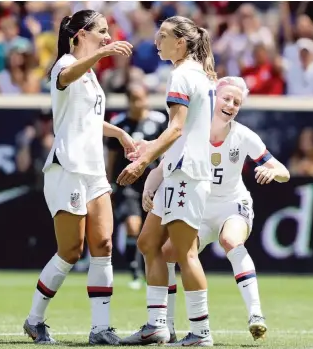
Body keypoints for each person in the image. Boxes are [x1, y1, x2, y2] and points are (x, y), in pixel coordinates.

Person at [141, 76, 290, 342]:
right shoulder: (188, 132)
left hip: (231, 205)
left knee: (230, 239)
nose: (231, 105)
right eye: (227, 98)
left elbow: (283, 171)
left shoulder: (243, 135)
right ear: (213, 99)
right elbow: (163, 168)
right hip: (198, 208)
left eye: (237, 102)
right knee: (168, 254)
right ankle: (168, 328)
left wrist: (272, 173)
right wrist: (149, 189)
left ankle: (256, 314)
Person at [22, 9, 135, 345]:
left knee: (103, 245)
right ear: (81, 34)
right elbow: (66, 75)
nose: (107, 36)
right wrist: (101, 53)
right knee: (70, 251)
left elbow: (87, 119)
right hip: (67, 168)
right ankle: (34, 320)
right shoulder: (65, 64)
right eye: (101, 31)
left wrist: (120, 134)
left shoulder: (92, 76)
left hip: (93, 170)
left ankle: (100, 329)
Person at [116, 16, 217, 346]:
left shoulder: (182, 75)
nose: (156, 42)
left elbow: (175, 129)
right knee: (147, 244)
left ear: (181, 43)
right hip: (178, 171)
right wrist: (157, 170)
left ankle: (201, 331)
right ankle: (157, 325)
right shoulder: (197, 74)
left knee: (185, 253)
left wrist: (145, 161)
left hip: (187, 175)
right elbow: (181, 133)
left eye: (163, 37)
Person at [107, 83, 167, 290]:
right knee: (133, 226)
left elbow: (168, 150)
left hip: (154, 182)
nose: (138, 103)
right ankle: (135, 271)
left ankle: (156, 270)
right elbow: (112, 157)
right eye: (133, 99)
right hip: (128, 183)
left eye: (141, 98)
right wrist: (110, 184)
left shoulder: (159, 121)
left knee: (155, 231)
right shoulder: (119, 124)